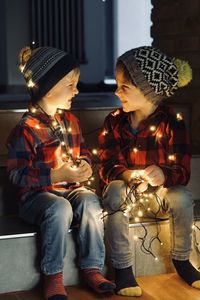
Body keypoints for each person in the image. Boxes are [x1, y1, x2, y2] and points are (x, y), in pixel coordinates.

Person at [6, 46, 115, 300]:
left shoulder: (72, 122)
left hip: (69, 191)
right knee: (60, 209)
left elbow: (85, 152)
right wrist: (54, 176)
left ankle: (92, 268)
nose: (76, 90)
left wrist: (87, 165)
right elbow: (16, 175)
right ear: (49, 86)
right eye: (70, 84)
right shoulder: (26, 129)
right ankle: (53, 276)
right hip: (37, 199)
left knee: (89, 200)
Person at [98, 46, 199, 297]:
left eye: (124, 87)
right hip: (128, 197)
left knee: (183, 197)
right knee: (114, 190)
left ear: (148, 90)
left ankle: (182, 260)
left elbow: (183, 172)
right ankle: (123, 268)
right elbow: (107, 165)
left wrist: (163, 174)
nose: (116, 91)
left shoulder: (172, 121)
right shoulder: (113, 122)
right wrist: (128, 175)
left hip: (158, 198)